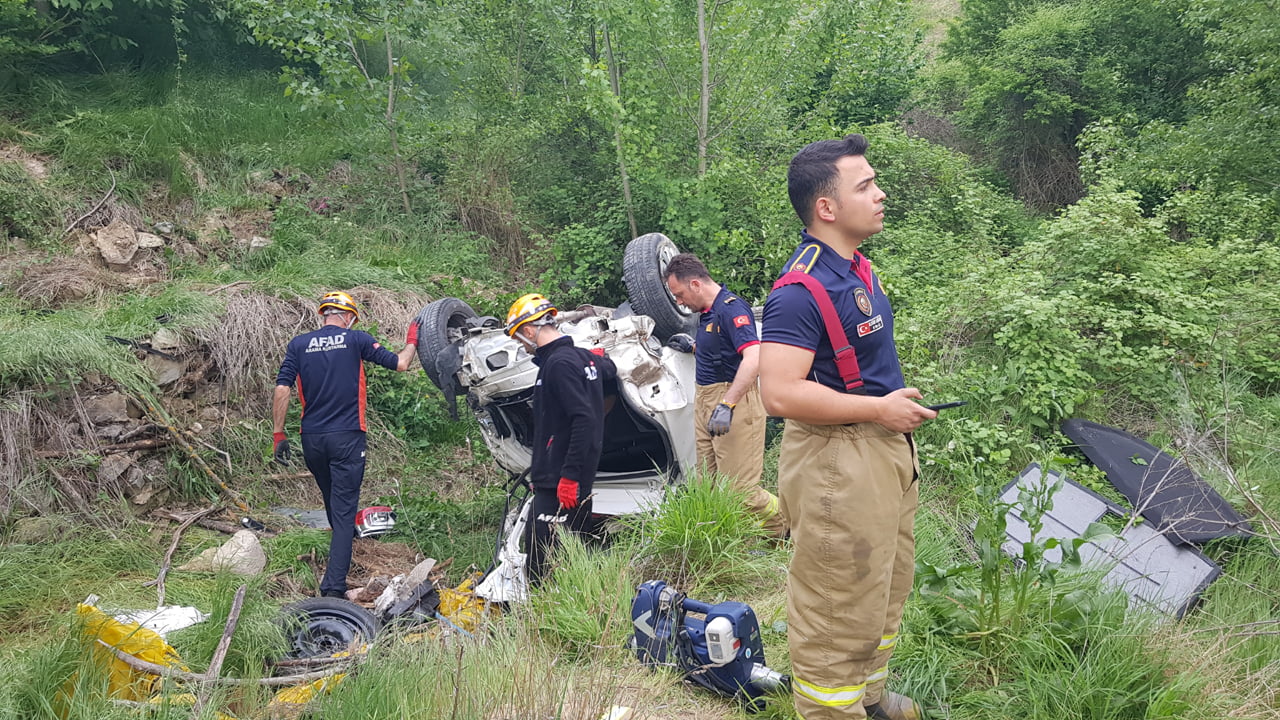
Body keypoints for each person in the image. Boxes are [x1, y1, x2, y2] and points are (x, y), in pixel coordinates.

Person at [759, 134, 936, 720]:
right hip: (839, 463)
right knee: (837, 605)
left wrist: (889, 411)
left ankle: (870, 699)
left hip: (884, 452)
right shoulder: (798, 290)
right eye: (866, 186)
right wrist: (877, 409)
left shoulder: (856, 268)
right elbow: (779, 392)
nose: (881, 194)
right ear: (826, 208)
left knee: (885, 586)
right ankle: (833, 709)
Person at [272, 291, 420, 598]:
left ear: (324, 314)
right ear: (349, 317)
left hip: (311, 438)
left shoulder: (299, 345)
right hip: (348, 436)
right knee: (342, 513)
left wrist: (278, 434)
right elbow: (401, 364)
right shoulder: (357, 340)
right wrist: (413, 339)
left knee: (333, 502)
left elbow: (282, 387)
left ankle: (342, 546)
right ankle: (333, 589)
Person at [663, 253, 785, 537]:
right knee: (710, 488)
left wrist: (727, 404)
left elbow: (754, 357)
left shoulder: (731, 309)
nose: (678, 302)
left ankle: (789, 524)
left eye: (679, 294)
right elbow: (723, 350)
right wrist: (694, 348)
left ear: (695, 284)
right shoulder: (707, 314)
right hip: (706, 401)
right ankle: (733, 547)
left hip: (733, 403)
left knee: (741, 493)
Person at [504, 293, 617, 584]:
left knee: (541, 567)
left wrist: (568, 477)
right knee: (575, 554)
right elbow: (609, 371)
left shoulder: (559, 364)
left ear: (529, 330)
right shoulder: (581, 358)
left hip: (560, 483)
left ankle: (543, 619)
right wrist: (599, 360)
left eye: (519, 338)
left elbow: (584, 419)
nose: (521, 344)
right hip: (569, 479)